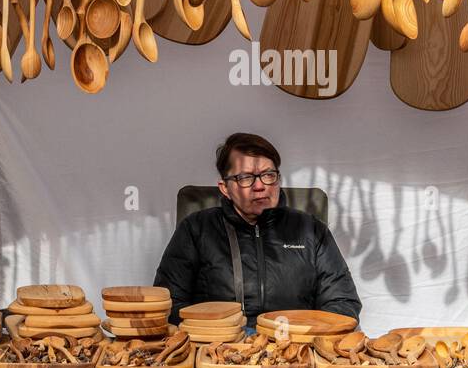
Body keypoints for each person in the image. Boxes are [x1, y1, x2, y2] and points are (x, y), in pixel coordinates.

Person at [154, 132, 361, 323]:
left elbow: (342, 303)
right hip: (218, 352)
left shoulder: (311, 230)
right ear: (225, 188)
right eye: (245, 178)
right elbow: (168, 304)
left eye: (268, 174)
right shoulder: (195, 229)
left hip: (294, 351)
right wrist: (218, 334)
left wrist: (299, 335)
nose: (260, 185)